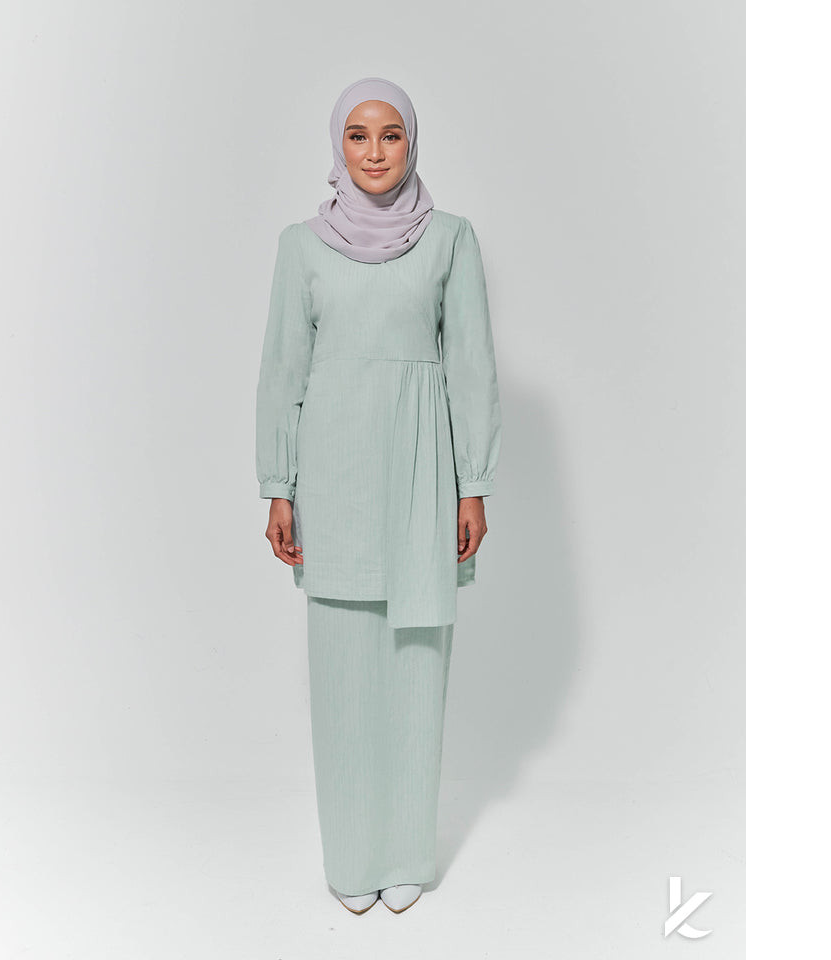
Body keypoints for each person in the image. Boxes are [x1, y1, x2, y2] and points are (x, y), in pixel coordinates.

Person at [255, 77, 502, 915]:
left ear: (412, 143)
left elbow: (471, 367)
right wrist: (278, 485)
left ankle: (405, 853)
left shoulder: (450, 239)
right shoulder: (300, 247)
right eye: (357, 135)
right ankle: (351, 857)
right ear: (337, 145)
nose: (374, 151)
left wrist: (473, 484)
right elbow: (282, 371)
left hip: (420, 472)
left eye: (390, 134)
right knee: (343, 674)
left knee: (415, 667)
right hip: (333, 474)